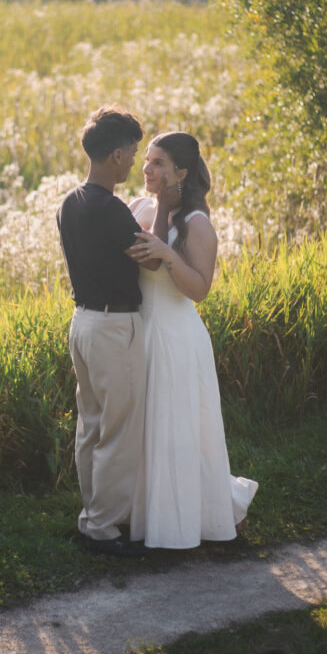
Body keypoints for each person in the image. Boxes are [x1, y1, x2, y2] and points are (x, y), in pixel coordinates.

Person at [126, 132, 258, 549]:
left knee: (180, 432)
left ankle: (193, 519)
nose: (148, 169)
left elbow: (199, 289)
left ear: (182, 172)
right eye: (147, 160)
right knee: (146, 430)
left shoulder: (197, 224)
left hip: (177, 337)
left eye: (159, 163)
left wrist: (169, 256)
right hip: (141, 331)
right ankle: (145, 516)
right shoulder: (138, 207)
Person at [56, 106, 162, 557]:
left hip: (82, 322)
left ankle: (90, 517)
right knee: (118, 428)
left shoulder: (70, 202)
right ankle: (104, 529)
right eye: (133, 154)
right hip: (115, 328)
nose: (135, 163)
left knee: (92, 424)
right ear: (115, 155)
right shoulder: (113, 209)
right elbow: (154, 260)